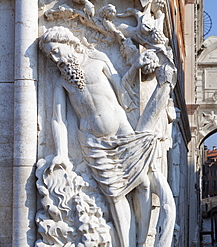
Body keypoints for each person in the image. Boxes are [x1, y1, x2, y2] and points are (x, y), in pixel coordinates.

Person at [39, 26, 175, 247]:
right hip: (93, 142)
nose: (55, 58)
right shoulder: (60, 80)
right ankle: (127, 244)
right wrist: (62, 153)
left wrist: (134, 67)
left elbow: (121, 88)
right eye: (50, 55)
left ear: (68, 43)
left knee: (142, 183)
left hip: (122, 131)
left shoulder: (98, 59)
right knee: (115, 195)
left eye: (55, 51)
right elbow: (58, 118)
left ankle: (143, 241)